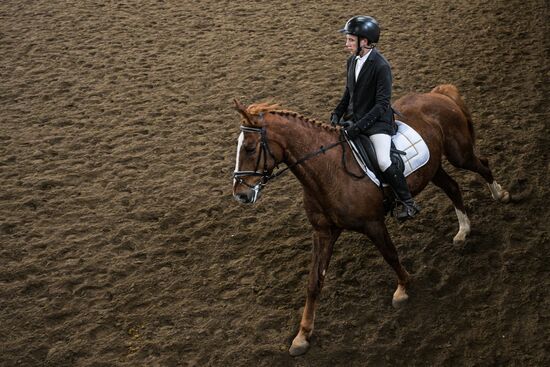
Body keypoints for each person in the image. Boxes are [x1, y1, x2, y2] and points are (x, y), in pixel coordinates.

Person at [330, 15, 420, 220]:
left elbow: (381, 105)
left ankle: (408, 202)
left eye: (350, 40)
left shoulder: (381, 66)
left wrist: (359, 126)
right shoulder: (352, 61)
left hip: (378, 123)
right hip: (355, 120)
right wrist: (337, 111)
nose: (346, 44)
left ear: (365, 41)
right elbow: (349, 92)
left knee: (382, 160)